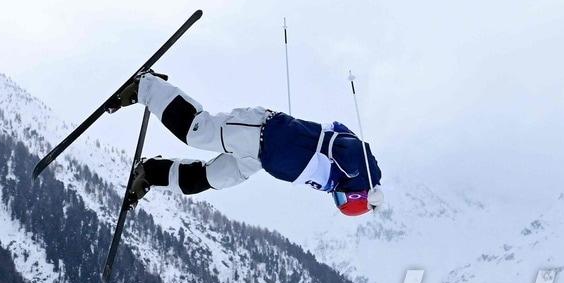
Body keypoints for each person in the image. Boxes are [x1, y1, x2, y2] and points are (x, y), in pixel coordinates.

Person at [108, 70, 385, 216]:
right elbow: (358, 149)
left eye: (336, 201)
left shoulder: (334, 179)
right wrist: (372, 183)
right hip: (260, 131)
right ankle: (145, 86)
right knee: (196, 131)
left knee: (207, 179)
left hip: (257, 161)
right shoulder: (350, 161)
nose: (334, 195)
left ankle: (150, 173)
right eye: (341, 197)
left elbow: (337, 129)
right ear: (357, 191)